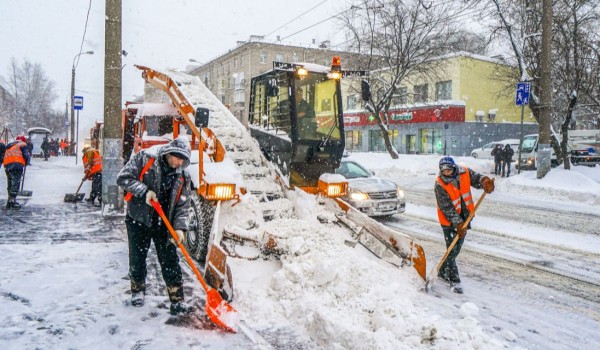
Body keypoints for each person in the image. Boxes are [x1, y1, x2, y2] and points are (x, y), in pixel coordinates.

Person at [116, 136, 193, 315]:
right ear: (169, 153)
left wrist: (179, 228)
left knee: (170, 260)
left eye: (183, 159)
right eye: (177, 158)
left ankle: (177, 299)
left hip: (164, 223)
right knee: (137, 257)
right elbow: (123, 178)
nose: (179, 162)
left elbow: (183, 204)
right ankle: (138, 291)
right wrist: (145, 192)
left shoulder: (183, 175)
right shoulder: (145, 158)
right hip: (139, 218)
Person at [434, 156, 494, 293]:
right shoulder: (439, 184)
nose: (447, 172)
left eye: (449, 169)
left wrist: (484, 181)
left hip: (465, 217)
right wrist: (457, 223)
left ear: (453, 167)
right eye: (444, 170)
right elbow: (447, 207)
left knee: (455, 248)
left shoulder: (464, 172)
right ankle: (454, 280)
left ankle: (443, 271)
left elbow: (476, 178)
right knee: (452, 249)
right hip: (449, 221)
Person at [3, 136, 31, 209]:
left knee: (10, 182)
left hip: (7, 164)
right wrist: (27, 161)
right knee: (15, 182)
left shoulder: (11, 145)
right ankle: (12, 201)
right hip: (16, 164)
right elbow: (26, 154)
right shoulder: (22, 144)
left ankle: (10, 200)